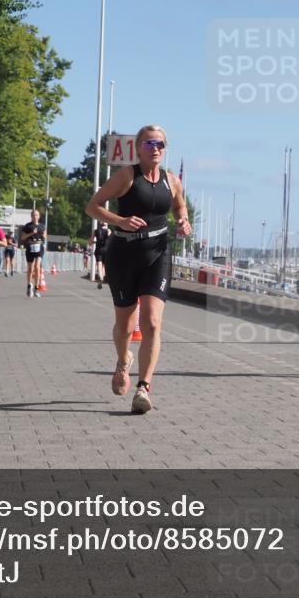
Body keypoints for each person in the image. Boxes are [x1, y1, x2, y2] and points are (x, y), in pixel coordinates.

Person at [85, 124, 191, 414]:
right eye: (148, 144)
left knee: (153, 323)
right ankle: (123, 361)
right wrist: (118, 220)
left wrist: (183, 221)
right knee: (125, 326)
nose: (155, 148)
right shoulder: (126, 176)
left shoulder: (172, 181)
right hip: (123, 253)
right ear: (138, 148)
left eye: (160, 144)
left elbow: (180, 208)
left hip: (158, 253)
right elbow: (92, 206)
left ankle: (143, 388)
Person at [20, 209, 47, 297]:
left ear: (39, 216)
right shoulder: (27, 226)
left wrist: (44, 236)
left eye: (36, 215)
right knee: (30, 269)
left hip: (39, 247)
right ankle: (29, 286)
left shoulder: (42, 226)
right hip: (30, 247)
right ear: (31, 216)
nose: (35, 216)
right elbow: (23, 237)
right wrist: (31, 233)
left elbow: (45, 236)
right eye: (33, 215)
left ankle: (36, 288)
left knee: (37, 267)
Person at [89, 221, 112, 289]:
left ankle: (100, 277)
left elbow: (91, 241)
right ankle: (103, 276)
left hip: (98, 250)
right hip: (106, 250)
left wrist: (94, 242)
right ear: (105, 224)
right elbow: (109, 238)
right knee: (104, 266)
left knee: (99, 264)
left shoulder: (95, 231)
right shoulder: (108, 230)